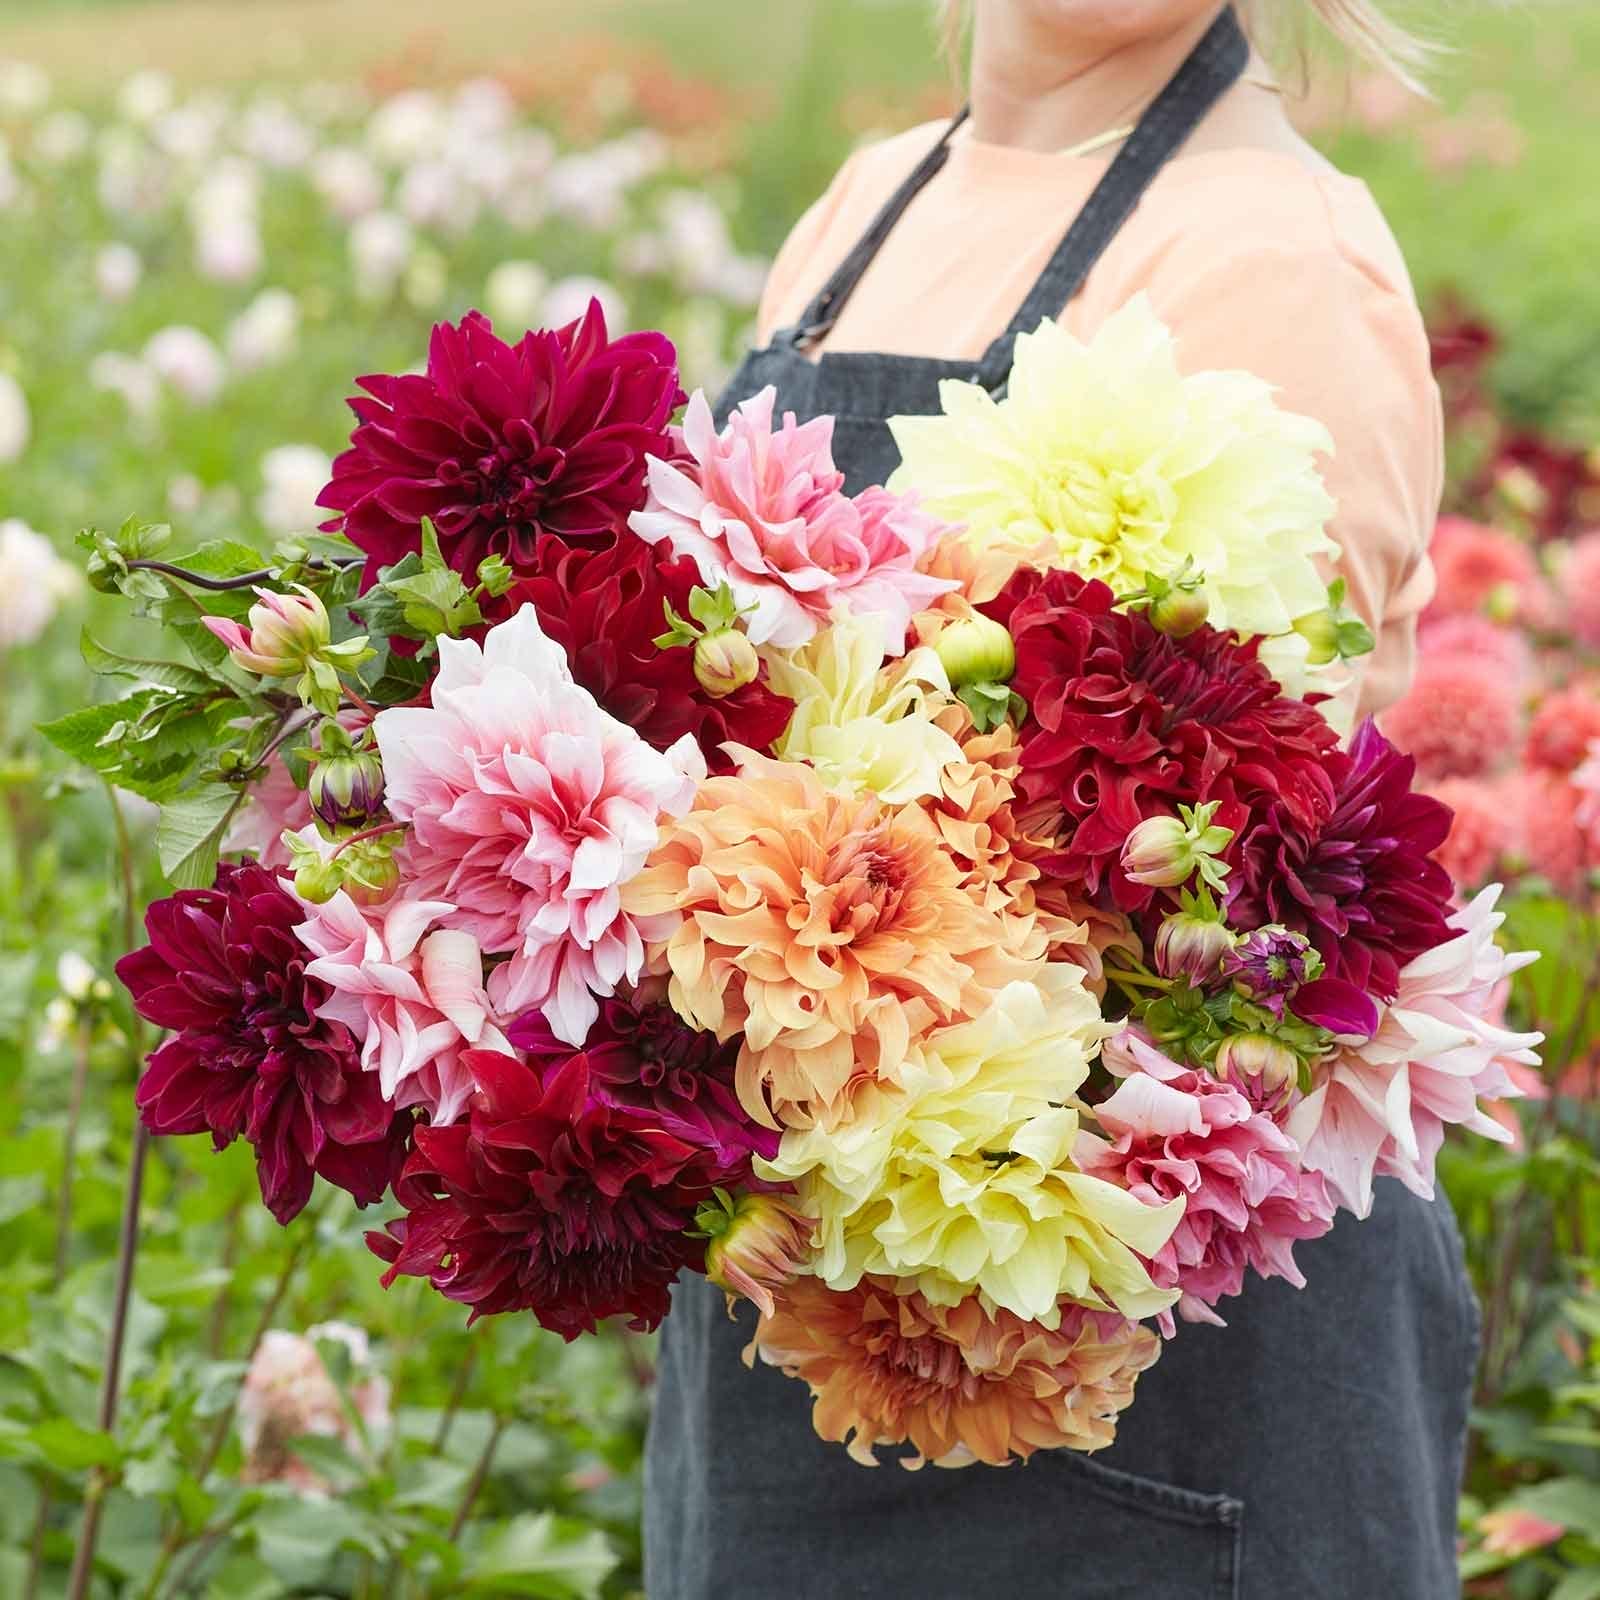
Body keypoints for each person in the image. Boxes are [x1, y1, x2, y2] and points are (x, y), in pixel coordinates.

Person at [645, 5, 1467, 1596]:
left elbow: (1212, 881)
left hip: (1138, 1411)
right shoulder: (871, 202)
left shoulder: (1276, 254)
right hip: (809, 1322)